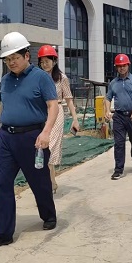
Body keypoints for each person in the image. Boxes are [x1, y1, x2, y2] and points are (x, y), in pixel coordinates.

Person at [0, 32, 59, 251]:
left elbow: (53, 106)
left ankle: (49, 215)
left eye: (15, 57)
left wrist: (46, 133)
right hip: (6, 138)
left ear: (26, 56)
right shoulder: (6, 80)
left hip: (32, 138)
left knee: (39, 182)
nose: (11, 62)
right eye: (7, 59)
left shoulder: (40, 77)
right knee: (3, 183)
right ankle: (2, 233)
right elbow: (2, 105)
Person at [37, 45, 80, 193]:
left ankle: (49, 184)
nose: (44, 64)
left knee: (51, 146)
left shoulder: (62, 78)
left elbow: (68, 99)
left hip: (57, 113)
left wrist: (75, 119)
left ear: (54, 61)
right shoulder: (38, 78)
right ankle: (51, 182)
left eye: (47, 61)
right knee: (41, 147)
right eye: (42, 62)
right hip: (41, 113)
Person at [104, 53, 132, 179]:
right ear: (116, 67)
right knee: (119, 143)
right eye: (119, 66)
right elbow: (108, 98)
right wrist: (107, 110)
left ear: (128, 65)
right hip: (119, 116)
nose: (121, 68)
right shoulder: (113, 83)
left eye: (124, 65)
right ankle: (118, 169)